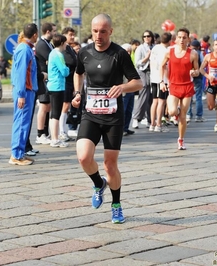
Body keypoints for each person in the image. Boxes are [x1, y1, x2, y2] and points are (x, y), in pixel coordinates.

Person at [72, 14, 142, 224]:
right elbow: (78, 73)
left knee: (110, 165)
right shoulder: (84, 52)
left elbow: (138, 83)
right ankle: (98, 183)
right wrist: (77, 93)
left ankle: (116, 205)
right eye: (95, 31)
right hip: (90, 114)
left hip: (113, 117)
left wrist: (122, 87)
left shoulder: (119, 54)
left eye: (103, 31)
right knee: (84, 157)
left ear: (110, 31)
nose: (98, 35)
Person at [160, 27, 200, 150]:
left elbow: (197, 71)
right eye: (180, 37)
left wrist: (194, 73)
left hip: (187, 86)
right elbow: (162, 66)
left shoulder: (193, 54)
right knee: (172, 111)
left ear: (188, 39)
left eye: (184, 37)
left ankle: (181, 140)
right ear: (176, 39)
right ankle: (175, 115)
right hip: (174, 85)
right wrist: (162, 81)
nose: (182, 40)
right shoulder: (169, 51)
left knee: (183, 115)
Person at [8, 23, 39, 166]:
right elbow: (21, 74)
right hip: (25, 91)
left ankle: (19, 153)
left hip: (26, 90)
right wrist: (21, 94)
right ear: (34, 35)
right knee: (21, 123)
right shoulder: (25, 49)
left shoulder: (24, 48)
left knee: (23, 123)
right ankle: (16, 155)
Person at [35, 22, 56, 145]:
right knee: (43, 106)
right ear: (48, 31)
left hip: (49, 79)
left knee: (47, 106)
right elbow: (51, 59)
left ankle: (45, 132)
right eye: (54, 31)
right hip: (43, 79)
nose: (55, 33)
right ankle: (40, 133)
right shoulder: (42, 45)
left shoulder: (49, 44)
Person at [47, 34, 70, 148]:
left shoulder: (52, 53)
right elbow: (64, 71)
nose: (66, 45)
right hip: (58, 86)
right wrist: (68, 68)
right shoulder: (58, 55)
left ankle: (53, 137)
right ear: (61, 43)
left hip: (52, 85)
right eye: (65, 43)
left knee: (53, 114)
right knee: (56, 114)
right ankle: (55, 139)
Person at [149, 32, 171, 132]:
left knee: (155, 101)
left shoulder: (155, 48)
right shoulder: (165, 51)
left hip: (153, 77)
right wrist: (167, 80)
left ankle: (152, 124)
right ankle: (158, 124)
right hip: (161, 79)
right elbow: (164, 66)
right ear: (169, 41)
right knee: (161, 102)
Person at [132, 30, 154, 129]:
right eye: (144, 36)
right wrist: (146, 58)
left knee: (152, 96)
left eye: (148, 36)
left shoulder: (155, 47)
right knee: (143, 93)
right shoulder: (140, 48)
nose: (146, 38)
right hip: (143, 71)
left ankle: (150, 119)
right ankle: (136, 118)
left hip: (153, 72)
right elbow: (137, 63)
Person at [60, 27, 78, 141]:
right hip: (65, 81)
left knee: (68, 106)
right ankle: (61, 130)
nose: (72, 37)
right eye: (70, 35)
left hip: (71, 80)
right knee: (65, 105)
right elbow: (72, 61)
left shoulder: (69, 48)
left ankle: (64, 130)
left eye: (73, 35)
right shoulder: (64, 49)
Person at [187, 39, 205, 123]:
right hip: (198, 76)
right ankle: (199, 116)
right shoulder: (199, 53)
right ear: (198, 47)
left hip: (189, 76)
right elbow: (202, 65)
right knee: (198, 97)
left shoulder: (188, 53)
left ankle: (188, 114)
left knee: (189, 97)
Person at [121, 43, 135, 136]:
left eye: (130, 51)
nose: (128, 53)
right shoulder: (119, 62)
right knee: (123, 110)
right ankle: (121, 129)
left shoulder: (130, 61)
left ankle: (126, 127)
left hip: (131, 89)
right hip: (124, 90)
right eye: (127, 51)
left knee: (129, 110)